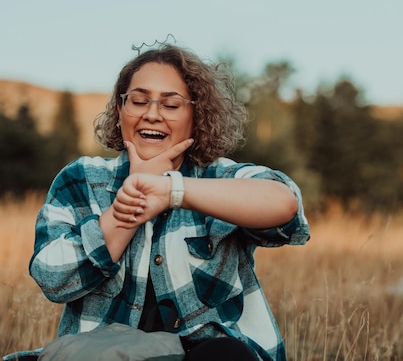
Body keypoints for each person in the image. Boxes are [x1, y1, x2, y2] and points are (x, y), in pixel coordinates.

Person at [25, 44, 309, 361]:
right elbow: (52, 278)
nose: (152, 114)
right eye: (139, 101)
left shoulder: (221, 177)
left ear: (196, 116)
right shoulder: (81, 179)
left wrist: (171, 190)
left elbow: (284, 204)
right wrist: (129, 205)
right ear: (120, 111)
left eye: (171, 105)